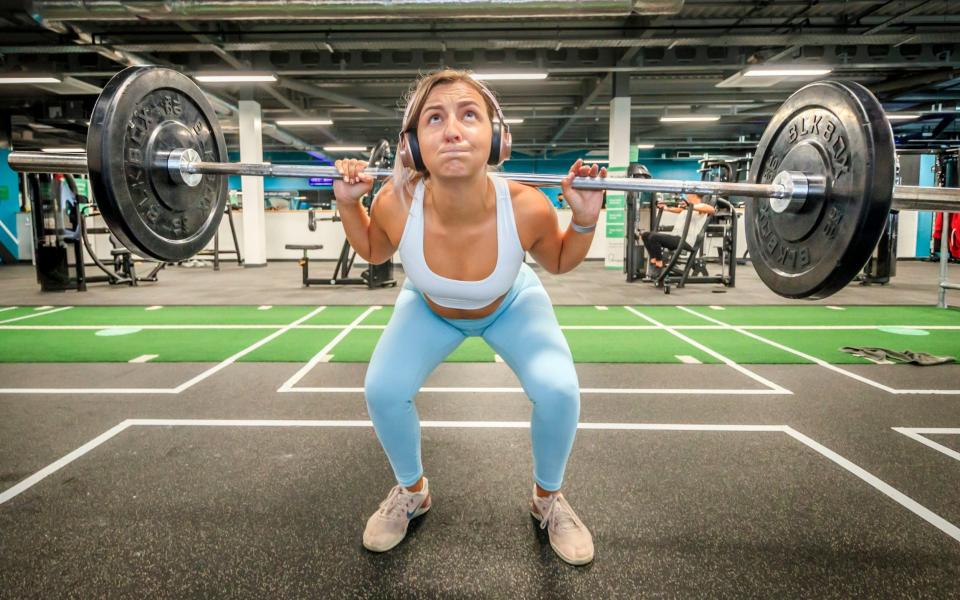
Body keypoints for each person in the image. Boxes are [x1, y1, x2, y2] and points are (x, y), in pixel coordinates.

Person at [333, 69, 606, 566]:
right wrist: (350, 206)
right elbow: (373, 251)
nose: (453, 130)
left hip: (510, 304)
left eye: (469, 115)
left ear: (497, 138)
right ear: (414, 145)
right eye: (434, 118)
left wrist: (584, 218)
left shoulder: (526, 207)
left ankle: (548, 499)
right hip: (429, 308)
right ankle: (413, 491)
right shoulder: (396, 202)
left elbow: (561, 261)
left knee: (560, 389)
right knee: (382, 389)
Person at [640, 193, 716, 278]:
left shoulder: (701, 207)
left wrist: (691, 206)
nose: (687, 195)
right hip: (676, 238)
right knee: (645, 235)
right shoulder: (688, 208)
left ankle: (659, 263)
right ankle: (654, 259)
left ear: (694, 195)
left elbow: (712, 209)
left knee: (654, 237)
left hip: (686, 241)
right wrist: (666, 208)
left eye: (688, 193)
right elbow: (680, 210)